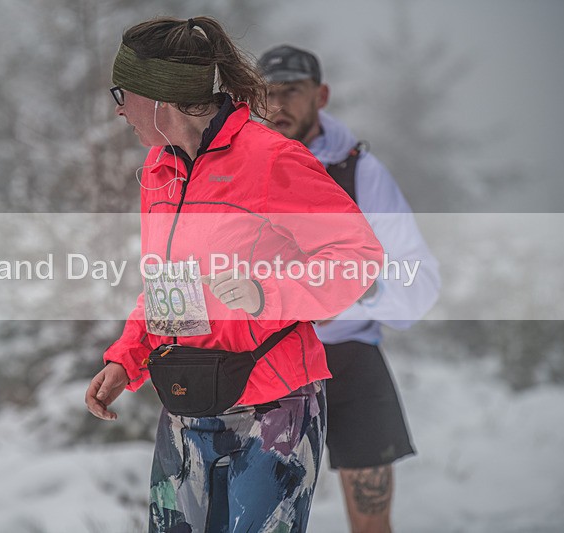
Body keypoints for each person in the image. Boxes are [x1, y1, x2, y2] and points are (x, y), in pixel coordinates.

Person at [84, 17, 383, 532]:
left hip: (273, 407)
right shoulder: (160, 170)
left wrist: (267, 294)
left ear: (162, 99)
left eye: (123, 93)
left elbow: (358, 258)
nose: (117, 108)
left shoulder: (271, 160)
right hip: (185, 401)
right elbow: (165, 285)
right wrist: (127, 359)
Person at [258, 45, 441, 533]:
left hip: (350, 359)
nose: (277, 106)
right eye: (267, 93)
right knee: (260, 522)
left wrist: (353, 293)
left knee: (371, 521)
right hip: (269, 368)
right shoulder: (241, 168)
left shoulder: (362, 172)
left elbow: (419, 278)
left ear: (321, 95)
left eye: (292, 91)